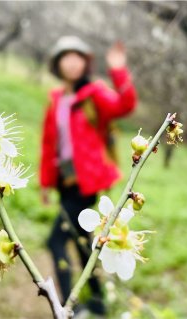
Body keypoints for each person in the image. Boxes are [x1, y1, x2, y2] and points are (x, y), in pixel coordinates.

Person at [40, 36, 137, 316]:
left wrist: (118, 70)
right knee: (84, 241)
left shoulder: (94, 93)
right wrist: (46, 183)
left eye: (77, 56)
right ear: (58, 64)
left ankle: (70, 304)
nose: (71, 62)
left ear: (85, 62)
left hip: (87, 182)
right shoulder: (57, 98)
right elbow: (50, 143)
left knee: (56, 241)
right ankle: (98, 299)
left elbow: (125, 106)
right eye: (65, 57)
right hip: (64, 181)